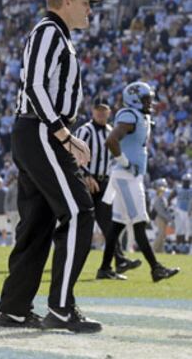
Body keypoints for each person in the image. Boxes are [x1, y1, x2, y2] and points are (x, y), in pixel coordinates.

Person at [0, 0, 99, 332]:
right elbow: (35, 85)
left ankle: (14, 309)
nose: (90, 8)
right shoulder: (48, 32)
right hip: (41, 130)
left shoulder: (57, 35)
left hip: (36, 130)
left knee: (37, 223)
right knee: (79, 211)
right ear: (66, 1)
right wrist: (63, 133)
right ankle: (61, 308)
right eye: (86, 1)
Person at [99, 82, 180, 282]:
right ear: (134, 99)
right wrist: (125, 162)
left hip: (126, 176)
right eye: (145, 99)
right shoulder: (130, 116)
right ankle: (156, 268)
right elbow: (111, 140)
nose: (149, 102)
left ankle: (105, 268)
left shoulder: (141, 116)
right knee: (139, 222)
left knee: (117, 224)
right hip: (127, 176)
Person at [75, 98, 141, 279]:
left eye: (104, 110)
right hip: (87, 181)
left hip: (104, 182)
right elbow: (73, 153)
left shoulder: (111, 131)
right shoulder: (85, 131)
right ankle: (115, 261)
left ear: (109, 112)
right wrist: (86, 174)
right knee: (84, 222)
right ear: (92, 111)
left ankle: (116, 262)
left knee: (109, 223)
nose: (101, 114)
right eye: (98, 110)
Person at [151, 178, 171, 254]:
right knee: (161, 233)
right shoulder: (157, 197)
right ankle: (153, 248)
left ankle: (160, 249)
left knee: (163, 234)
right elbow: (160, 210)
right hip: (159, 217)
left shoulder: (162, 197)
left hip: (162, 217)